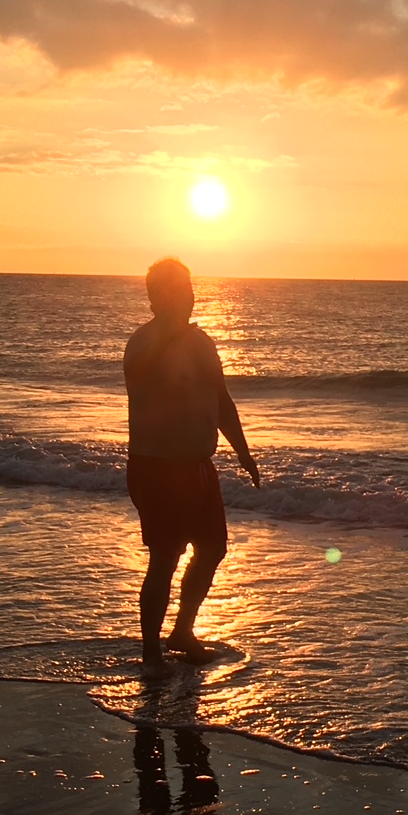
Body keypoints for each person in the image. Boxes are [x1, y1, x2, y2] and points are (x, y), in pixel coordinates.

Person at [123, 258, 261, 670]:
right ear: (155, 298)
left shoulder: (202, 342)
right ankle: (151, 652)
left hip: (198, 467)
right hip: (157, 468)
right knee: (164, 558)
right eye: (175, 290)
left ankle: (182, 631)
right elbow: (139, 381)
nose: (186, 296)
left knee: (213, 549)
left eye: (188, 288)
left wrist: (243, 452)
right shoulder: (143, 343)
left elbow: (221, 400)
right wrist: (168, 338)